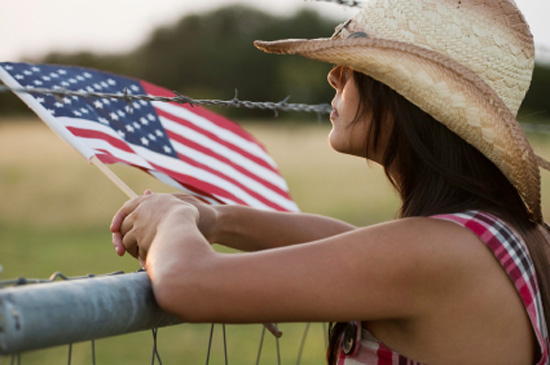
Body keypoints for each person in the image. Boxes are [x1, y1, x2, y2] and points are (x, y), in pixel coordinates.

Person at [111, 0, 550, 363]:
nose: (334, 74)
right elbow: (354, 243)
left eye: (355, 63)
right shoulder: (513, 236)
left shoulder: (436, 252)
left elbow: (188, 283)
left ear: (409, 100)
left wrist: (169, 216)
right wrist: (214, 219)